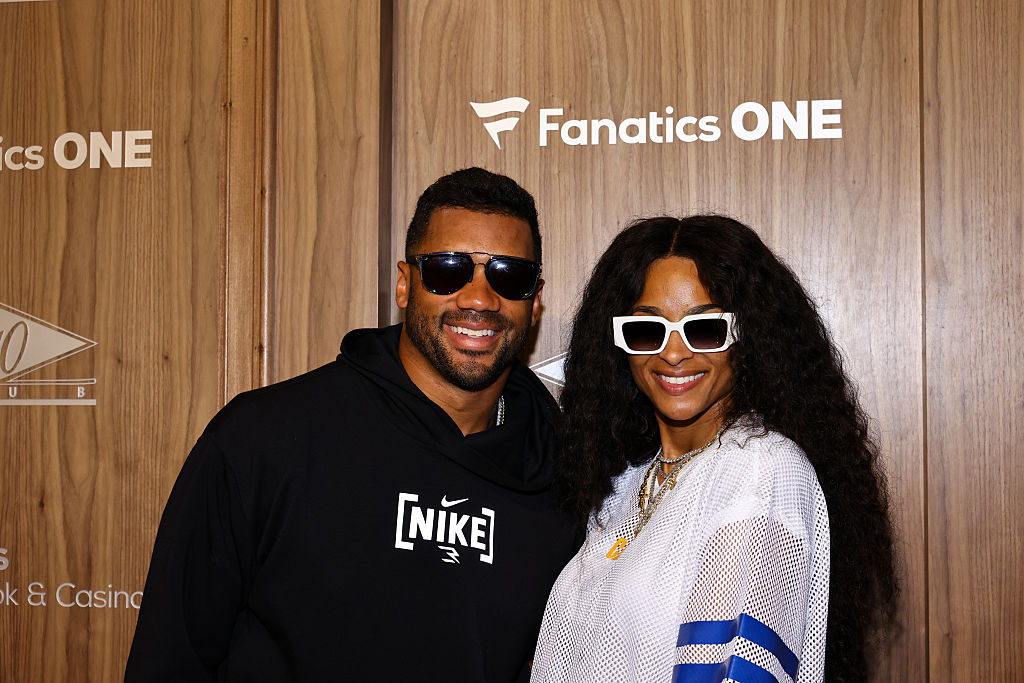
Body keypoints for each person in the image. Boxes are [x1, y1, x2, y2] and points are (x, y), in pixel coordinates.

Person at [125, 167, 581, 682]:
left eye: (509, 275)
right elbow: (170, 660)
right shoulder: (262, 440)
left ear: (534, 299)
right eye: (447, 270)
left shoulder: (568, 475)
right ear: (405, 285)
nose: (479, 299)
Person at [531, 215, 897, 682]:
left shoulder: (759, 470)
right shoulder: (626, 484)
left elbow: (733, 670)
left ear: (750, 338)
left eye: (704, 329)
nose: (673, 353)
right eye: (647, 331)